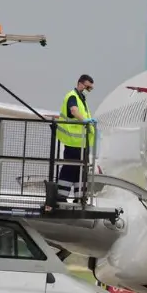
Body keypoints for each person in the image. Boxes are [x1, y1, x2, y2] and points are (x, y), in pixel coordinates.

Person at [55, 74, 96, 202]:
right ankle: (61, 196)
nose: (88, 90)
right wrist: (85, 121)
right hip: (74, 141)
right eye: (88, 87)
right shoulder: (72, 96)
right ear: (81, 83)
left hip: (82, 143)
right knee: (70, 167)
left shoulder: (81, 98)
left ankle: (80, 197)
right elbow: (73, 111)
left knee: (81, 169)